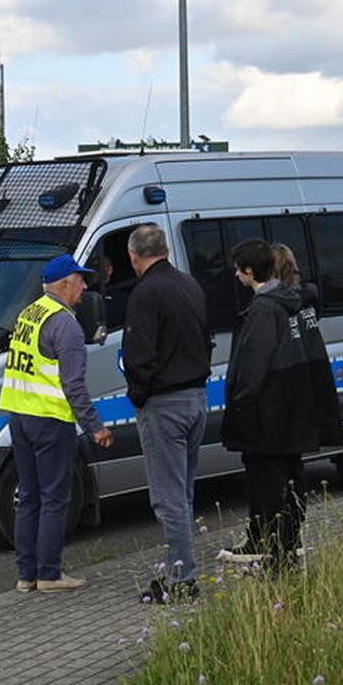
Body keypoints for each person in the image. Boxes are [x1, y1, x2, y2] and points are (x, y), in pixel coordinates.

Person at [218, 237, 342, 569]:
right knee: (291, 476)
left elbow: (254, 366)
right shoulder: (293, 301)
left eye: (237, 270)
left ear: (248, 271)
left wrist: (239, 406)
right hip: (294, 407)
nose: (235, 276)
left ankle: (279, 556)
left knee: (271, 484)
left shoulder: (264, 308)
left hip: (269, 413)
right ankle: (287, 545)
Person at [0, 254, 113, 594]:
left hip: (19, 416)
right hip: (49, 419)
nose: (85, 286)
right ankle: (49, 574)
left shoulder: (30, 313)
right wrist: (95, 426)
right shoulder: (66, 323)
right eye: (80, 280)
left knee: (29, 497)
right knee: (54, 498)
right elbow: (73, 384)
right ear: (64, 283)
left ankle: (26, 575)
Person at [122, 224, 211, 603]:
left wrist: (139, 396)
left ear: (133, 255)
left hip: (165, 404)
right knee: (184, 493)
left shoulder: (145, 293)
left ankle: (181, 579)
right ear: (167, 250)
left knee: (168, 497)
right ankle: (181, 567)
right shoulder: (190, 285)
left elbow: (138, 355)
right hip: (196, 397)